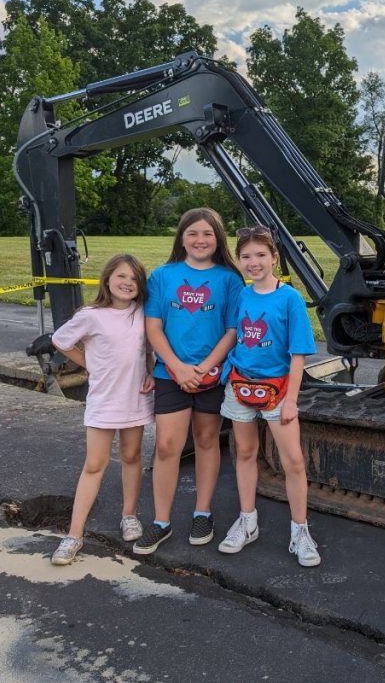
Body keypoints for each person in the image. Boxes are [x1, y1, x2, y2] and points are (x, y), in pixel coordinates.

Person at [133, 208, 243, 555]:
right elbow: (153, 328)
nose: (200, 240)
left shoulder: (229, 280)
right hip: (170, 375)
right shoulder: (163, 276)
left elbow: (232, 330)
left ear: (218, 239)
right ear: (181, 238)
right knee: (167, 446)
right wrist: (177, 367)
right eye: (193, 233)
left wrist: (206, 367)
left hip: (211, 376)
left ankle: (202, 512)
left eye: (208, 234)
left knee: (208, 441)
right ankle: (161, 521)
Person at [218, 225, 320, 567]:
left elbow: (299, 353)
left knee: (293, 461)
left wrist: (291, 399)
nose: (253, 262)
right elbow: (234, 337)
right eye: (246, 256)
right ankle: (247, 522)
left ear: (274, 257)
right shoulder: (242, 296)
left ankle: (300, 532)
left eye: (261, 254)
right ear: (239, 260)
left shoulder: (289, 298)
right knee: (245, 452)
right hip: (241, 385)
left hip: (278, 391)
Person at [51, 254, 155, 566]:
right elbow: (61, 340)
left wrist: (150, 372)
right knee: (95, 463)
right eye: (122, 276)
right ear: (107, 279)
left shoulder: (142, 314)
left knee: (132, 456)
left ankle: (129, 514)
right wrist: (89, 364)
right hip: (104, 399)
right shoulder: (92, 315)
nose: (128, 283)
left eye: (134, 279)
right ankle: (73, 534)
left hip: (135, 397)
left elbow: (148, 350)